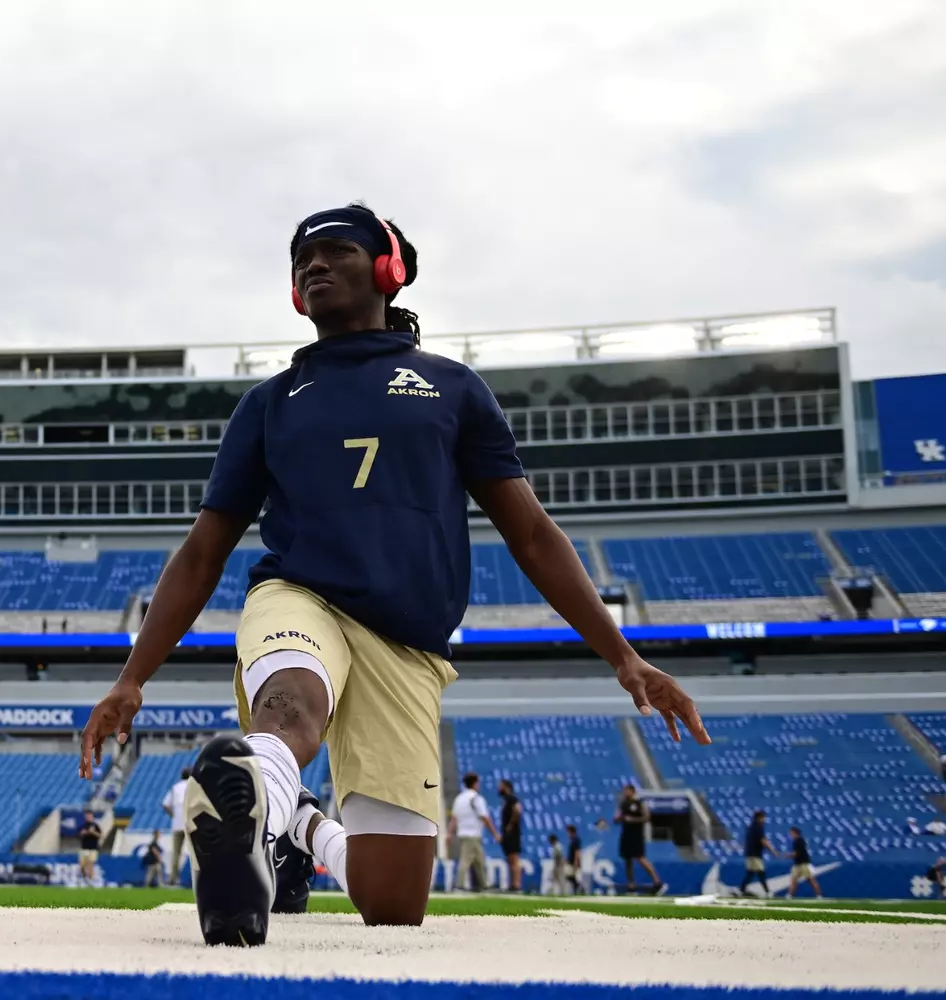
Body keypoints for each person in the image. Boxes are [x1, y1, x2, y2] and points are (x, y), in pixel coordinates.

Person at [78, 202, 707, 946]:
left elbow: (533, 536)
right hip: (300, 595)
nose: (313, 266)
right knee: (289, 710)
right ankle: (257, 790)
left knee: (392, 908)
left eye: (335, 252)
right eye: (300, 262)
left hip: (408, 641)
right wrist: (132, 675)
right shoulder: (267, 404)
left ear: (389, 271)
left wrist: (624, 656)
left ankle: (296, 826)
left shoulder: (453, 387)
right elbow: (202, 553)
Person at [447, 773, 498, 892]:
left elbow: (454, 818)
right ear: (475, 783)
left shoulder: (459, 798)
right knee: (466, 860)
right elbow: (484, 817)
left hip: (463, 833)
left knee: (479, 860)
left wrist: (450, 833)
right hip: (473, 834)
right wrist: (494, 833)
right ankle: (459, 885)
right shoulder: (476, 798)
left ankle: (483, 884)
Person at [615, 783, 665, 895]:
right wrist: (619, 818)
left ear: (632, 791)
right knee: (627, 859)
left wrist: (632, 819)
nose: (625, 793)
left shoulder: (639, 803)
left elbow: (647, 817)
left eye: (627, 790)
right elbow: (616, 817)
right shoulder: (622, 804)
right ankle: (631, 885)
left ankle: (657, 881)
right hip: (626, 834)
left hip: (636, 834)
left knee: (640, 858)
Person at [162, 767, 190, 887]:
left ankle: (173, 879)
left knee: (176, 854)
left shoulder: (175, 788)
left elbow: (165, 805)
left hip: (177, 824)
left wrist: (173, 815)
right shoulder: (194, 786)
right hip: (191, 824)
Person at [740, 809, 779, 897]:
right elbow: (763, 841)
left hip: (750, 853)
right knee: (761, 872)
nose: (764, 820)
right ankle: (767, 892)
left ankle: (741, 889)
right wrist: (773, 850)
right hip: (755, 854)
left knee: (751, 873)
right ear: (759, 818)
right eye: (763, 818)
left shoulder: (751, 827)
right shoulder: (758, 827)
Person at [498, 779, 523, 893]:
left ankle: (517, 884)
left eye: (501, 786)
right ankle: (512, 884)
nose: (499, 788)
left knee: (514, 859)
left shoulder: (512, 799)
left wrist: (511, 825)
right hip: (508, 834)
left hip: (513, 834)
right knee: (509, 860)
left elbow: (518, 810)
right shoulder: (506, 800)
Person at [785, 826, 821, 898]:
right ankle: (789, 895)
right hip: (798, 863)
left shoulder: (798, 840)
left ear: (794, 832)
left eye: (791, 833)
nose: (790, 834)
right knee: (794, 880)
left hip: (803, 863)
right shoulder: (800, 840)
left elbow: (797, 853)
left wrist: (788, 855)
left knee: (810, 880)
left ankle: (819, 895)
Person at [77, 811, 103, 882]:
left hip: (93, 848)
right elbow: (79, 835)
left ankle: (90, 879)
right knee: (82, 865)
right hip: (84, 848)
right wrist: (86, 832)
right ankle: (84, 878)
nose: (88, 818)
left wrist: (93, 832)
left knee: (90, 864)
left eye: (90, 816)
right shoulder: (82, 826)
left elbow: (100, 835)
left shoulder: (96, 826)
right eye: (87, 816)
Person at [566, 824, 586, 895]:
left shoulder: (576, 840)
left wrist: (576, 862)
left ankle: (579, 888)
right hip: (571, 861)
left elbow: (577, 852)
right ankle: (577, 888)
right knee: (570, 876)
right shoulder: (573, 840)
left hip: (573, 862)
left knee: (571, 876)